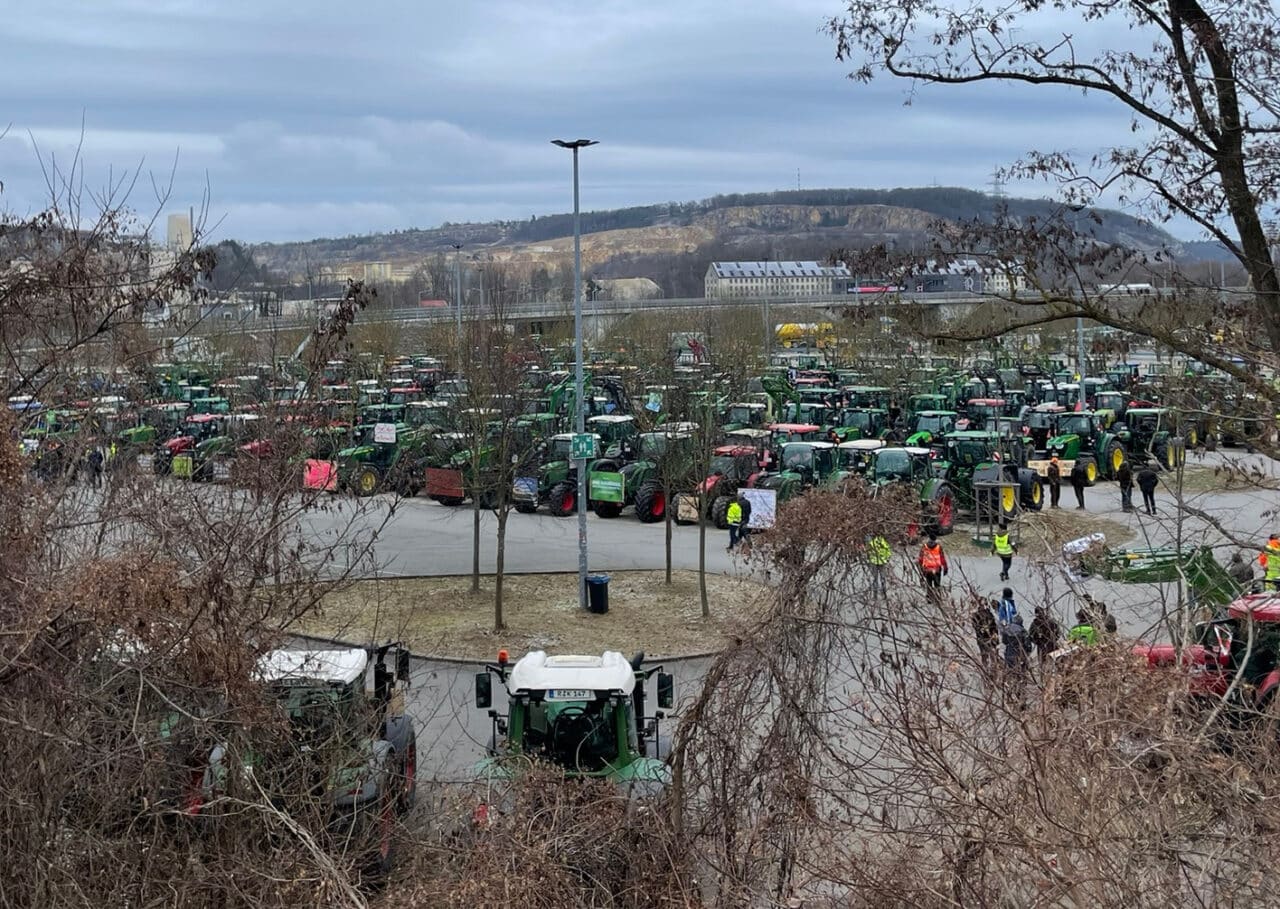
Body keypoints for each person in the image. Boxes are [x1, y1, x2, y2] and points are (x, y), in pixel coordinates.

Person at [972, 599, 999, 670]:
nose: (984, 606)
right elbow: (976, 627)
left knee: (992, 656)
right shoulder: (976, 615)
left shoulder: (989, 613)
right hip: (983, 639)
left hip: (990, 639)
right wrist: (983, 629)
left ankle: (993, 669)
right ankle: (987, 670)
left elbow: (994, 626)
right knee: (985, 655)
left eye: (985, 604)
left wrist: (995, 635)